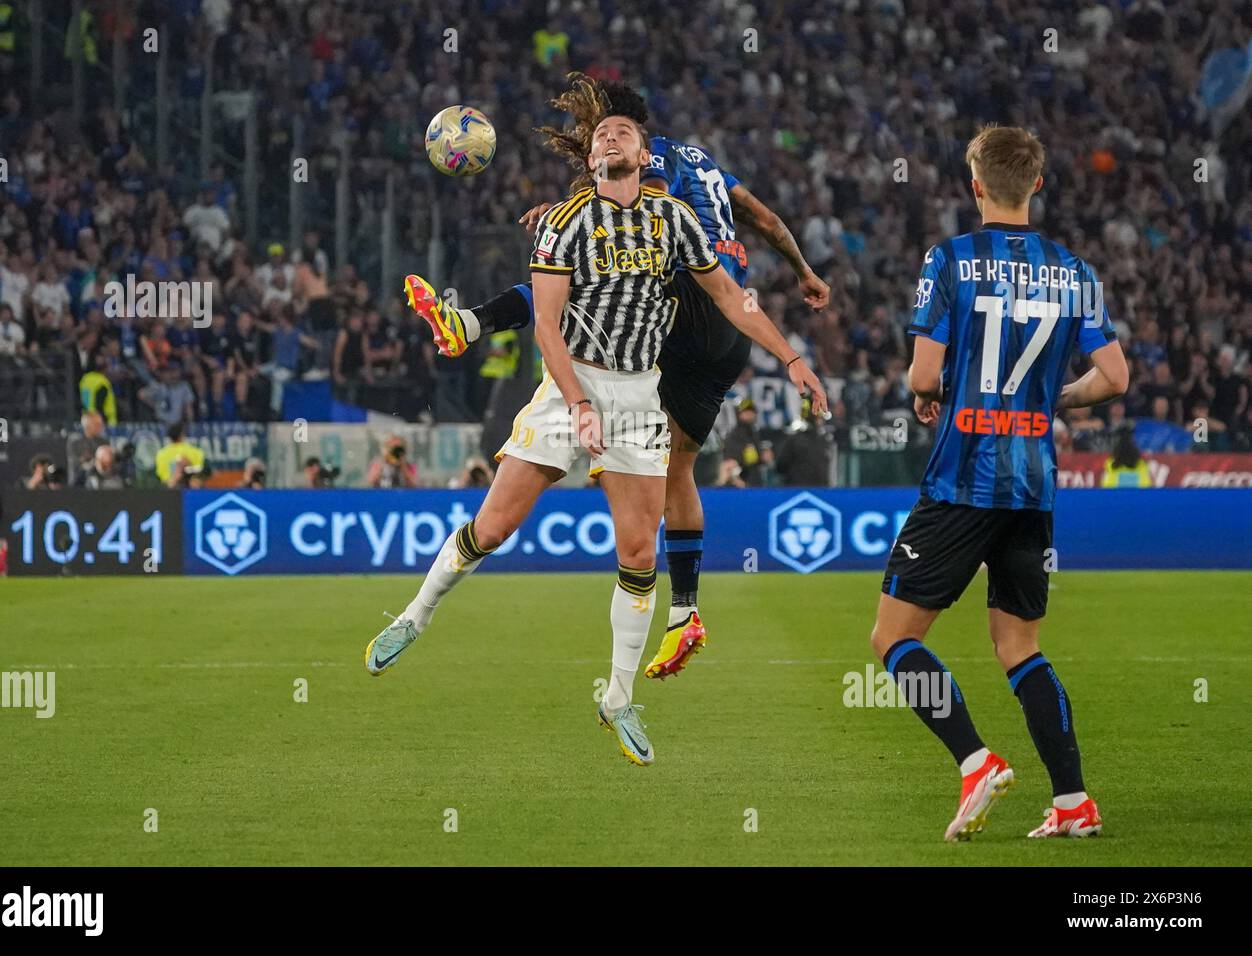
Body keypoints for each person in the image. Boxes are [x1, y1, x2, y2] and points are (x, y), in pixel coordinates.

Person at [364, 93, 825, 767]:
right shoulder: (565, 225)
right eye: (601, 135)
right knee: (492, 529)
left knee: (638, 553)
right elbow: (547, 325)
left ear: (645, 156)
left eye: (623, 133)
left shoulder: (674, 220)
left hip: (638, 392)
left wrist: (791, 358)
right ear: (590, 159)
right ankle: (415, 615)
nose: (610, 137)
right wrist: (577, 400)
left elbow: (730, 296)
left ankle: (617, 695)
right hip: (569, 383)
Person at [871, 125, 1129, 842]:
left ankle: (975, 760)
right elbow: (1115, 377)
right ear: (1037, 184)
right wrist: (1053, 401)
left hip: (962, 480)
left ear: (975, 184)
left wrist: (932, 393)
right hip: (1034, 484)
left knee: (894, 640)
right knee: (1020, 649)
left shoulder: (950, 259)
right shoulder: (1073, 269)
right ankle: (1074, 803)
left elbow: (925, 376)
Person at [154, 422, 205, 486]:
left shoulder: (160, 454)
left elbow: (160, 475)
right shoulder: (195, 451)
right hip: (191, 489)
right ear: (182, 435)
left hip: (167, 490)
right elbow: (200, 470)